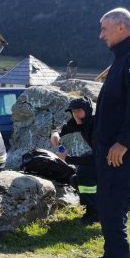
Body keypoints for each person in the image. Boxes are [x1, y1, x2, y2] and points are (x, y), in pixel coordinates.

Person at [83, 8, 130, 258]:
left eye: (105, 29)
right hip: (108, 148)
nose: (100, 35)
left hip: (121, 151)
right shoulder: (122, 59)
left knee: (115, 206)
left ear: (121, 28)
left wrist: (124, 143)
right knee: (106, 205)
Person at [50, 96, 98, 224]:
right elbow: (65, 127)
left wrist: (68, 159)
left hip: (116, 160)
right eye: (73, 112)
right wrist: (55, 133)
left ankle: (94, 212)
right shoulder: (82, 121)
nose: (75, 115)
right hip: (103, 157)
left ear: (87, 111)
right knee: (75, 178)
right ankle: (120, 202)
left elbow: (97, 158)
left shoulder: (97, 124)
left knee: (83, 175)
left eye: (78, 111)